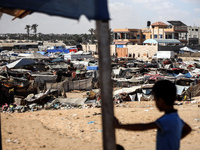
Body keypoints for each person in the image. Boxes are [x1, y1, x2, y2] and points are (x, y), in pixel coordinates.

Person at [115, 80, 191, 150]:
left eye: (155, 99)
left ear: (160, 100)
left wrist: (119, 126)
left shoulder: (167, 119)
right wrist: (174, 139)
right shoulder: (176, 118)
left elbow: (143, 127)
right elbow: (188, 129)